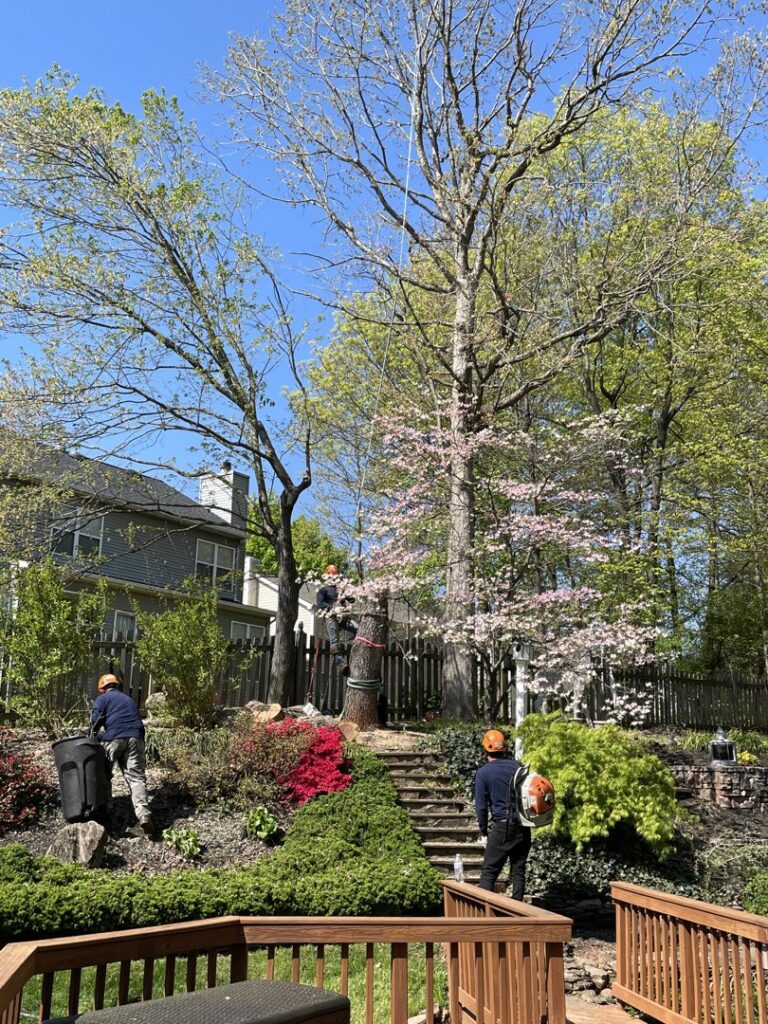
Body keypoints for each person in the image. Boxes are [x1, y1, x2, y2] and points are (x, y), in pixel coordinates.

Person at [91, 673, 154, 837]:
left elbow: (95, 723)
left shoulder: (102, 699)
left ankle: (106, 813)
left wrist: (93, 736)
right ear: (116, 686)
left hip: (115, 739)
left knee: (104, 775)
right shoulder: (128, 699)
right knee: (136, 778)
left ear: (102, 689)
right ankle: (144, 815)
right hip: (137, 737)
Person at [474, 728, 531, 900]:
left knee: (489, 872)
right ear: (504, 748)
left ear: (485, 749)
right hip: (523, 825)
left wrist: (483, 832)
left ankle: (484, 917)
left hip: (502, 827)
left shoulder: (483, 773)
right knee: (518, 871)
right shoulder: (518, 767)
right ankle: (518, 914)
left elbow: (481, 807)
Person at [315, 564, 358, 672]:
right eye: (332, 575)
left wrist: (349, 591)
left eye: (335, 575)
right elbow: (320, 604)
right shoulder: (323, 589)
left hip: (343, 617)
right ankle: (341, 665)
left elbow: (352, 600)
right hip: (331, 617)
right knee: (334, 642)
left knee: (358, 629)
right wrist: (332, 608)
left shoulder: (340, 588)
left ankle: (355, 648)